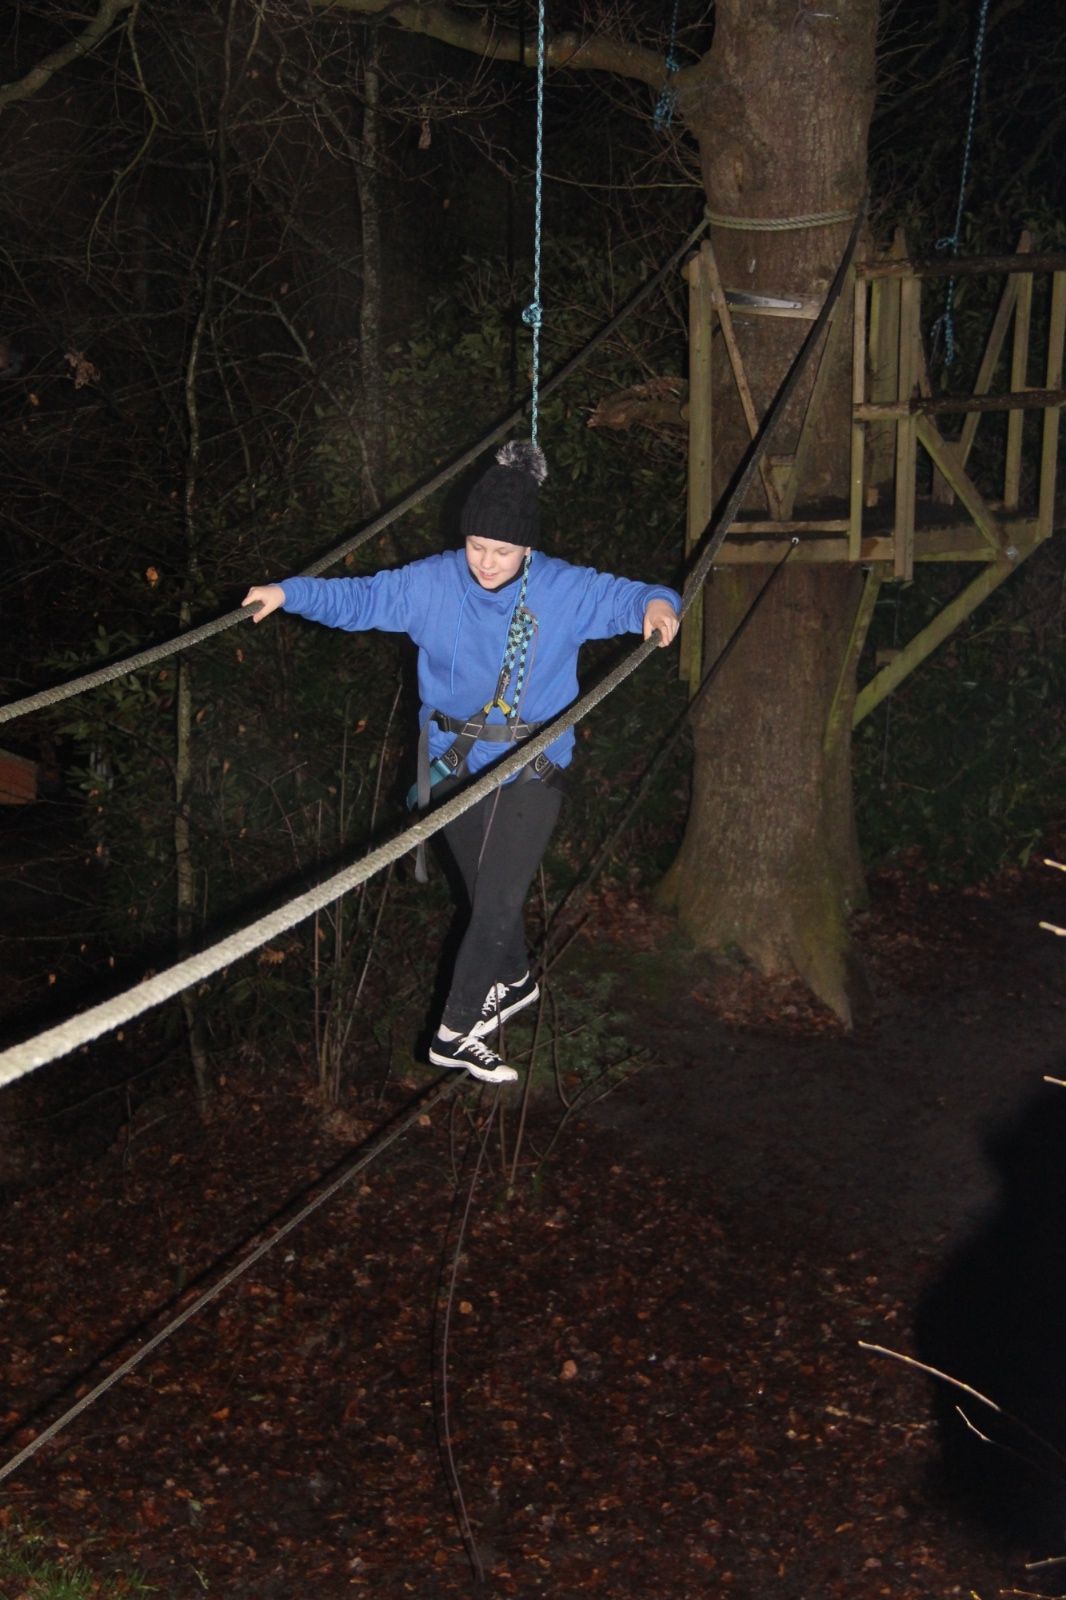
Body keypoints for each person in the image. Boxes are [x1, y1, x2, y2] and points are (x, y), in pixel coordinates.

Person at [243, 441, 680, 1085]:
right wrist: (288, 593)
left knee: (497, 899)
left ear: (527, 547)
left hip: (532, 766)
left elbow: (635, 595)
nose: (487, 562)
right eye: (477, 546)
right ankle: (516, 981)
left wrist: (658, 606)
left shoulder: (562, 589)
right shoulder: (432, 583)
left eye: (503, 550)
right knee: (485, 898)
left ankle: (455, 1029)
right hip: (450, 764)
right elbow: (360, 599)